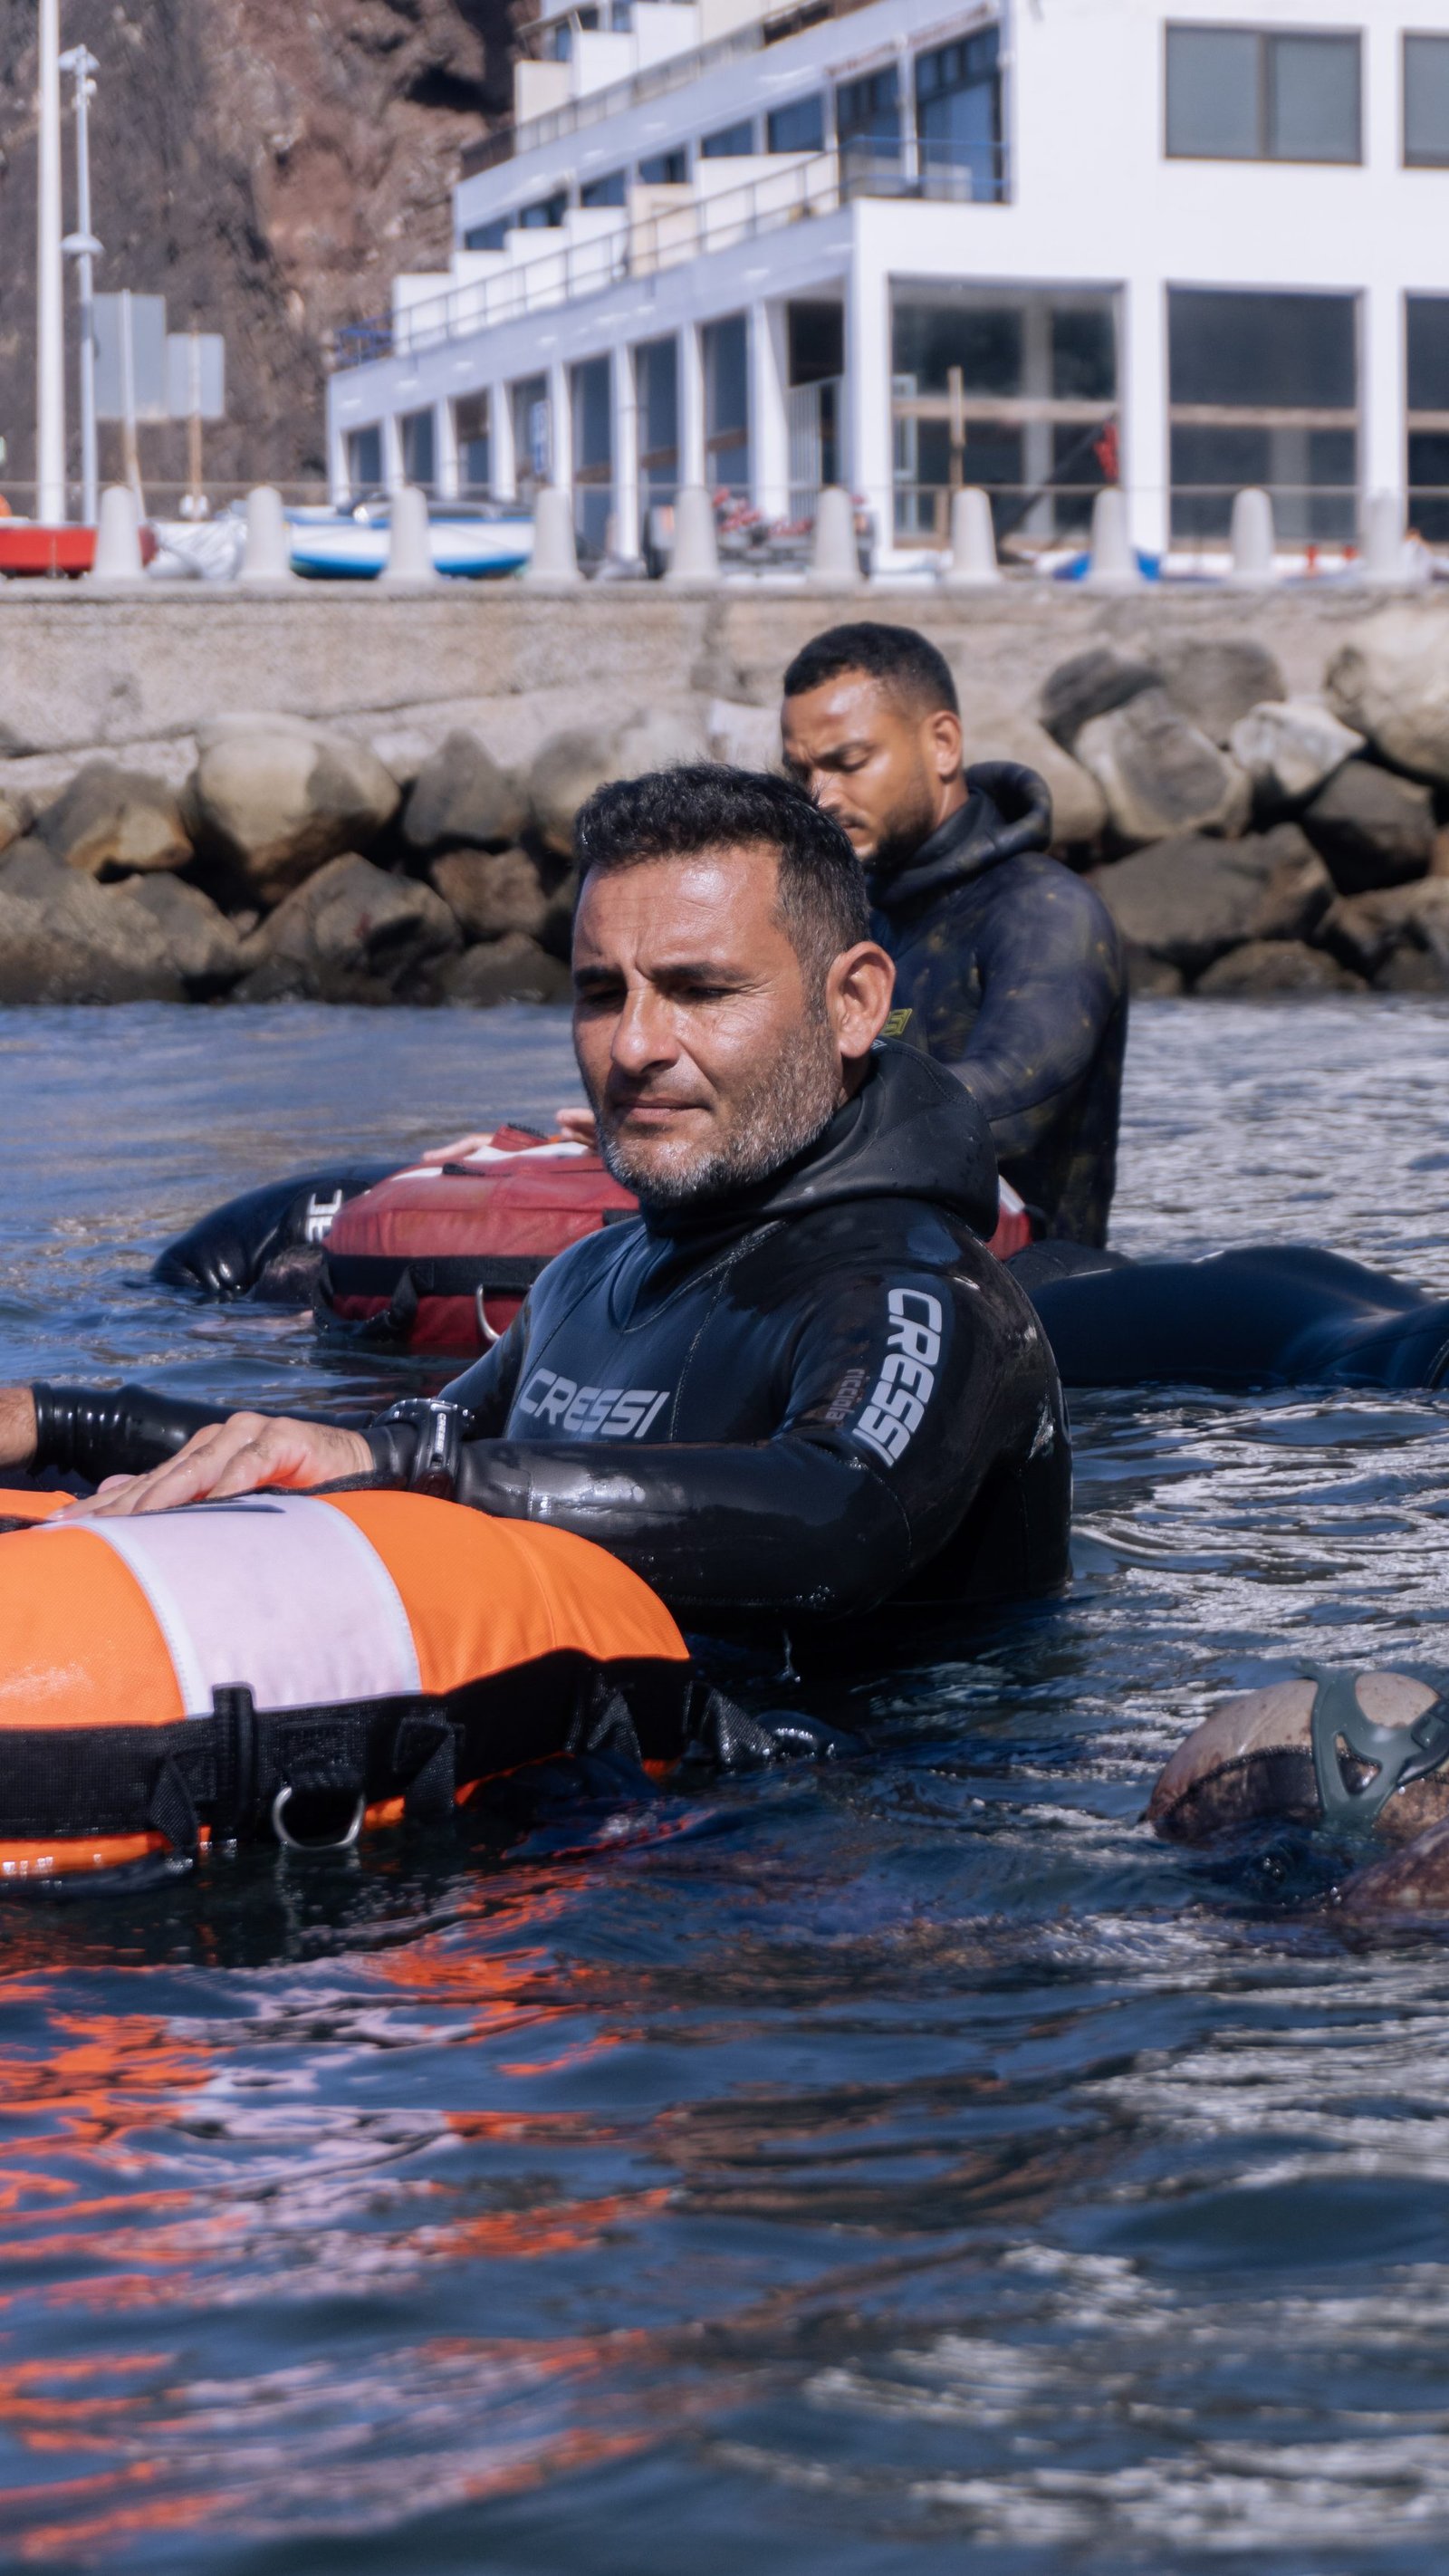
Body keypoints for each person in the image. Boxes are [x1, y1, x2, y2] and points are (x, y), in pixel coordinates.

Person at [0, 767, 1070, 1637]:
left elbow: (840, 1515)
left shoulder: (918, 1291)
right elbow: (370, 1452)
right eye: (603, 993)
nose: (638, 1046)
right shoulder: (587, 1283)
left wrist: (408, 1471)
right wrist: (60, 1418)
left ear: (854, 1005)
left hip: (858, 1858)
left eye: (700, 990)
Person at [780, 620, 1126, 1246]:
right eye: (800, 773)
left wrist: (773, 1128)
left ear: (942, 744)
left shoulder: (1045, 911)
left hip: (1034, 1297)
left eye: (849, 762)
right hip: (856, 1273)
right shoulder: (850, 921)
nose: (819, 797)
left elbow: (1011, 1101)